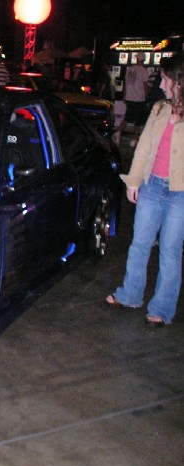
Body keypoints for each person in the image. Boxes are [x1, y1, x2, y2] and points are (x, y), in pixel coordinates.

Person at [105, 52, 184, 326]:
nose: (161, 84)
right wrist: (134, 180)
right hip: (152, 187)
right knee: (139, 243)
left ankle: (161, 308)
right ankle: (130, 294)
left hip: (179, 193)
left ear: (178, 81)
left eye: (165, 79)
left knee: (170, 251)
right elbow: (145, 147)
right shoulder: (160, 108)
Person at [117, 52, 149, 147]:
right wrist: (147, 96)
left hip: (129, 97)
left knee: (127, 117)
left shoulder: (130, 69)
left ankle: (118, 133)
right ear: (144, 60)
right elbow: (145, 86)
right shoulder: (143, 71)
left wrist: (124, 95)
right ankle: (134, 138)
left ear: (136, 59)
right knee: (139, 120)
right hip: (139, 99)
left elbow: (126, 83)